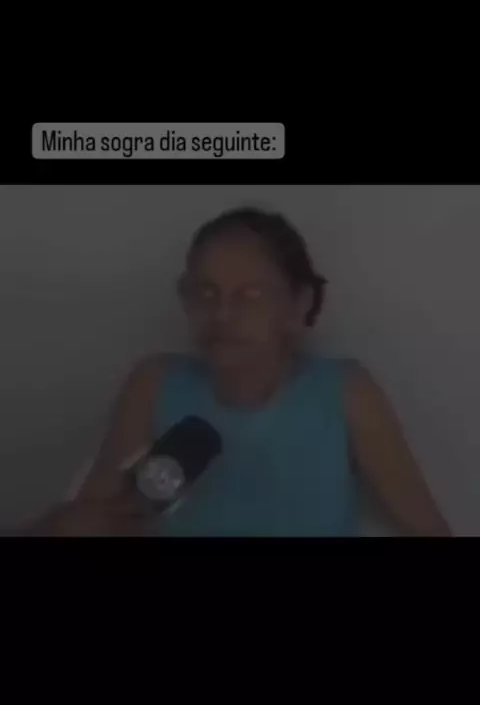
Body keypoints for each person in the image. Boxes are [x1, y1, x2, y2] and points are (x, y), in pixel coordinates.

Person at [28, 207, 451, 537]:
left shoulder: (347, 393)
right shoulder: (153, 384)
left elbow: (430, 530)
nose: (223, 315)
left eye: (249, 296)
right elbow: (93, 519)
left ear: (299, 304)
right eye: (206, 293)